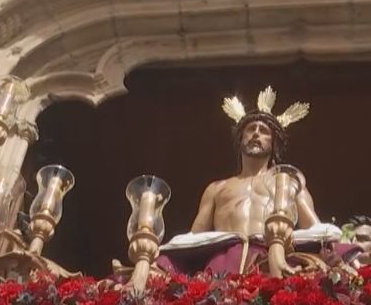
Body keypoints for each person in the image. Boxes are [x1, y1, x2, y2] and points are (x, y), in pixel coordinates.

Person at [147, 87, 348, 281]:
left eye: (264, 131)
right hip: (223, 266)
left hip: (271, 259)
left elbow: (316, 231)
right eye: (251, 129)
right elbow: (194, 238)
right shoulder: (217, 189)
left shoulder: (288, 183)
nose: (256, 134)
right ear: (241, 139)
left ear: (273, 143)